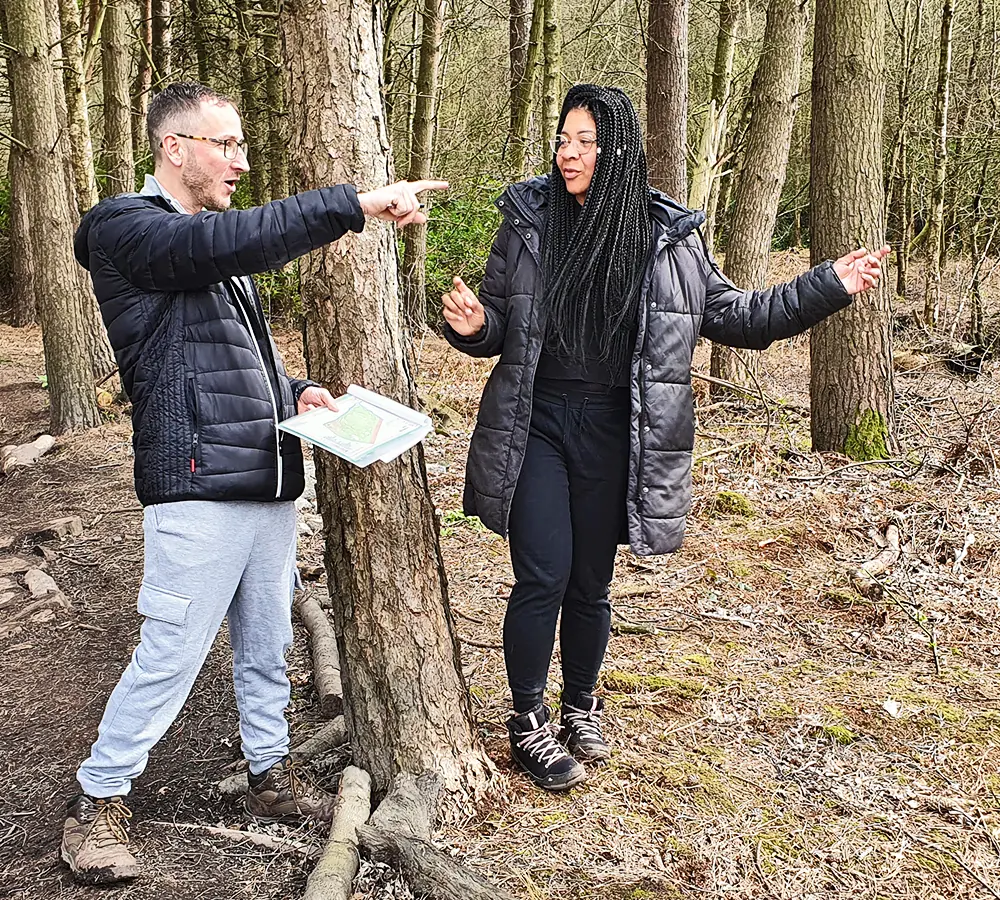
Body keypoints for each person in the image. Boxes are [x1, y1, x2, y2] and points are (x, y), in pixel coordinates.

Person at [441, 84, 888, 792]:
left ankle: (580, 706)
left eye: (585, 141)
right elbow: (498, 322)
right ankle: (526, 721)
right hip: (536, 424)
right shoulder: (528, 218)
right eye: (563, 139)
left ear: (617, 150)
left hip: (618, 431)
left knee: (591, 583)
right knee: (544, 574)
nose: (568, 153)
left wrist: (824, 285)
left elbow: (739, 316)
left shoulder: (666, 235)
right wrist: (472, 328)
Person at [63, 81, 445, 885]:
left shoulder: (205, 245)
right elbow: (227, 246)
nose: (239, 161)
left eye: (240, 145)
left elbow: (220, 357)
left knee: (268, 644)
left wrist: (295, 391)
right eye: (224, 144)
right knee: (171, 651)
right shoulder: (125, 229)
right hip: (198, 485)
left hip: (266, 480)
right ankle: (97, 801)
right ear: (174, 148)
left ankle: (270, 776)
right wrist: (356, 204)